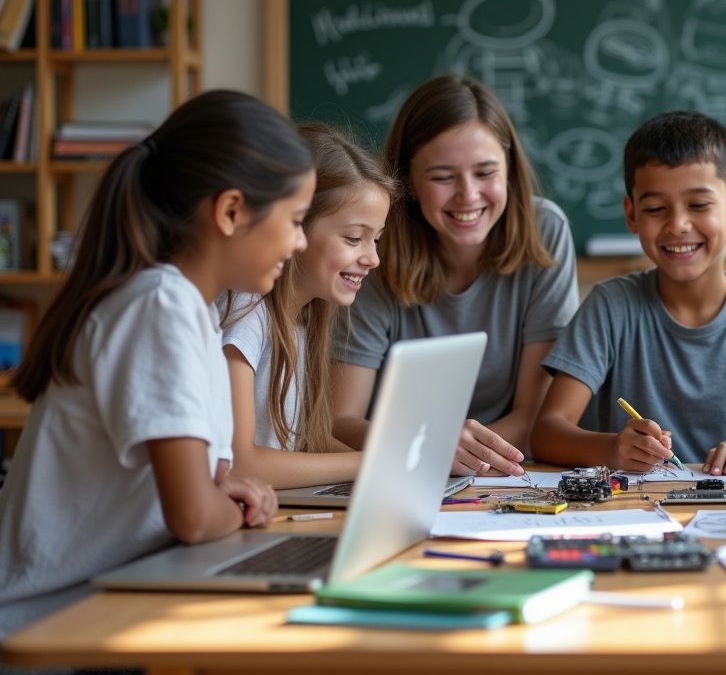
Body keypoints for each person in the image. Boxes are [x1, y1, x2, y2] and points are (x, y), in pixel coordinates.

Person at [0, 90, 314, 638]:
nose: (301, 241)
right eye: (295, 219)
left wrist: (228, 496)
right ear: (232, 211)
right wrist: (234, 507)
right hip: (55, 629)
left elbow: (210, 486)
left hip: (114, 604)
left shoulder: (189, 311)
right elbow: (194, 517)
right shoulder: (160, 308)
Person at [531, 110, 726, 474]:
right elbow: (546, 433)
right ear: (632, 215)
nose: (678, 225)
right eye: (656, 208)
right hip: (633, 512)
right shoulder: (610, 306)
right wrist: (614, 449)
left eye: (699, 205)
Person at [331, 75, 578, 477]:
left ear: (510, 169)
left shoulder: (546, 230)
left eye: (485, 173)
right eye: (443, 177)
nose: (468, 195)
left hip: (506, 471)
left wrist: (458, 458)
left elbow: (535, 417)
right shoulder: (374, 248)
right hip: (401, 469)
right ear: (407, 180)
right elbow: (340, 422)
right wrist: (429, 450)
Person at [221, 123, 396, 489]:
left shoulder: (304, 318)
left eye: (376, 239)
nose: (373, 259)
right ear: (297, 227)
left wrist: (396, 458)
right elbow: (240, 462)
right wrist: (372, 463)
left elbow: (301, 443)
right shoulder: (245, 312)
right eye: (354, 238)